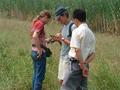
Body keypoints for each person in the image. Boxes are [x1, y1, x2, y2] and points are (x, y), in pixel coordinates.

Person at [61, 9, 96, 90]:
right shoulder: (91, 34)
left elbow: (77, 50)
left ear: (76, 19)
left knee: (66, 87)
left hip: (74, 65)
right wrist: (84, 64)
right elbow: (93, 54)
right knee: (81, 88)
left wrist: (82, 65)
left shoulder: (77, 31)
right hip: (85, 65)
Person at [54, 6, 76, 85]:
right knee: (61, 80)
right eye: (57, 20)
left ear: (65, 15)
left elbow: (74, 45)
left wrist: (62, 38)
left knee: (66, 82)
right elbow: (63, 42)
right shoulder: (63, 27)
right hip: (62, 56)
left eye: (59, 19)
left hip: (69, 57)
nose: (59, 21)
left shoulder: (73, 26)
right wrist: (58, 40)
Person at [30, 10, 51, 90]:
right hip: (39, 53)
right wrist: (39, 49)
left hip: (34, 51)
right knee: (40, 77)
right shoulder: (41, 24)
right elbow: (35, 36)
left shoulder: (36, 22)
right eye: (48, 20)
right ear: (45, 17)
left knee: (36, 75)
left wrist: (46, 40)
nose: (48, 22)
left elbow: (37, 37)